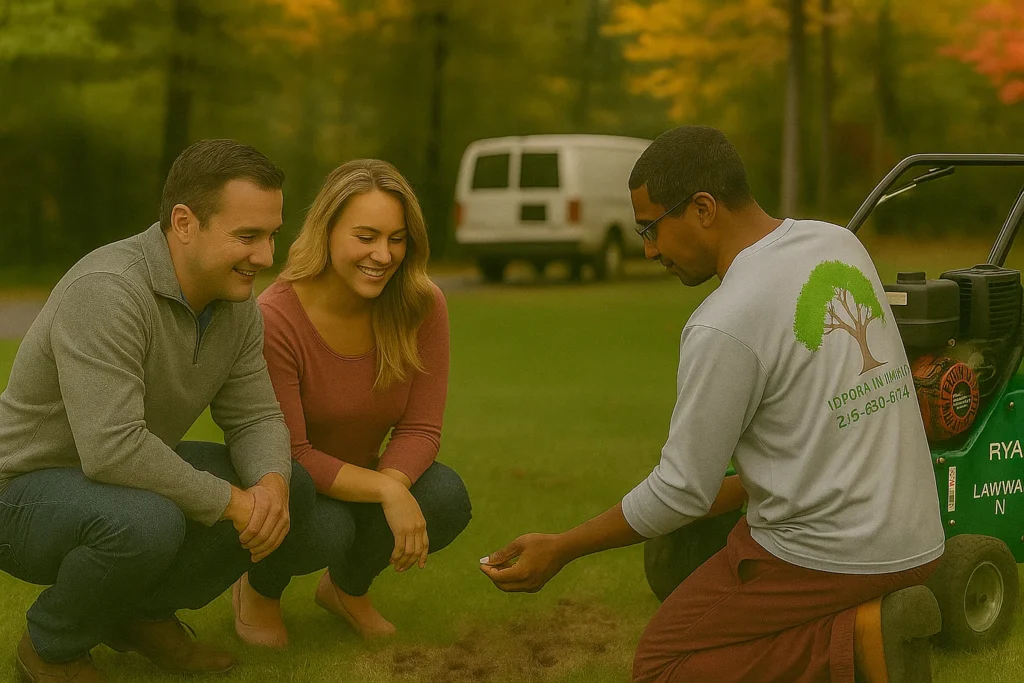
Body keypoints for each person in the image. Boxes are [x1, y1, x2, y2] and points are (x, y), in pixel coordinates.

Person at [480, 126, 946, 683]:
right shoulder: (837, 243)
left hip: (832, 557)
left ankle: (853, 640)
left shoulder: (724, 321)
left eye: (651, 228)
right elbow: (806, 442)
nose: (649, 250)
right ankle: (871, 615)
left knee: (662, 665)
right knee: (700, 543)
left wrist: (563, 547)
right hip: (921, 540)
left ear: (702, 208)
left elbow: (679, 491)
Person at [0, 139, 316, 682]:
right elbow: (113, 448)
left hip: (111, 481)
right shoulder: (108, 290)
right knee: (147, 522)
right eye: (247, 236)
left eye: (271, 235)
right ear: (185, 222)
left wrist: (270, 487)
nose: (266, 257)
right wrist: (234, 503)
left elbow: (256, 418)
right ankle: (51, 646)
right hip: (20, 491)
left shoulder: (233, 303)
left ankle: (138, 617)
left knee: (295, 485)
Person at [230, 159, 471, 648]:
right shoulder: (275, 318)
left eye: (397, 239)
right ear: (327, 231)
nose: (383, 255)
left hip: (365, 475)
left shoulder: (421, 305)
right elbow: (291, 453)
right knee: (322, 521)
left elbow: (421, 429)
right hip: (290, 483)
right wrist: (388, 493)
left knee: (444, 497)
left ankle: (346, 590)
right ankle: (258, 589)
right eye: (366, 237)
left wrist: (394, 485)